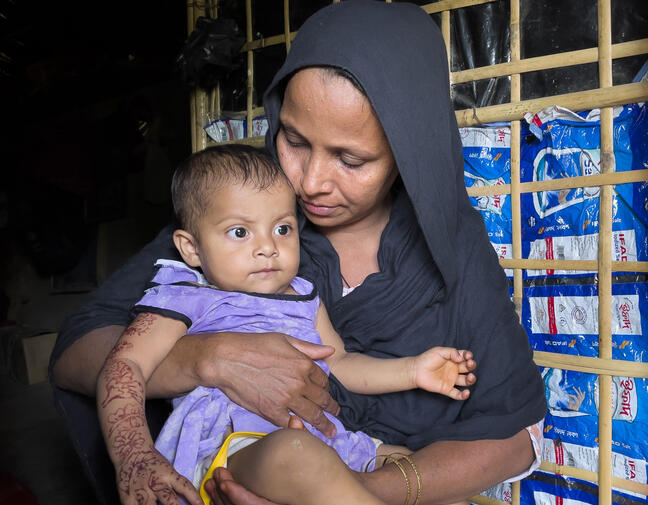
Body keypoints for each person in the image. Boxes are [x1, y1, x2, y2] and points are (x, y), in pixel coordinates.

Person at [50, 2, 548, 504]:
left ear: (409, 152)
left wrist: (353, 488)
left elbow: (514, 437)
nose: (309, 183)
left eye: (350, 159)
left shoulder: (451, 245)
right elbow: (78, 352)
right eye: (293, 139)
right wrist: (210, 358)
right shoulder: (243, 208)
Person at [95, 144, 478, 505]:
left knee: (428, 478)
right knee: (296, 453)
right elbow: (124, 365)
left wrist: (413, 370)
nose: (268, 247)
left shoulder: (302, 295)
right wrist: (133, 455)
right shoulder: (185, 297)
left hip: (327, 442)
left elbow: (340, 363)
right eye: (240, 232)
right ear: (191, 248)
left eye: (282, 228)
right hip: (235, 452)